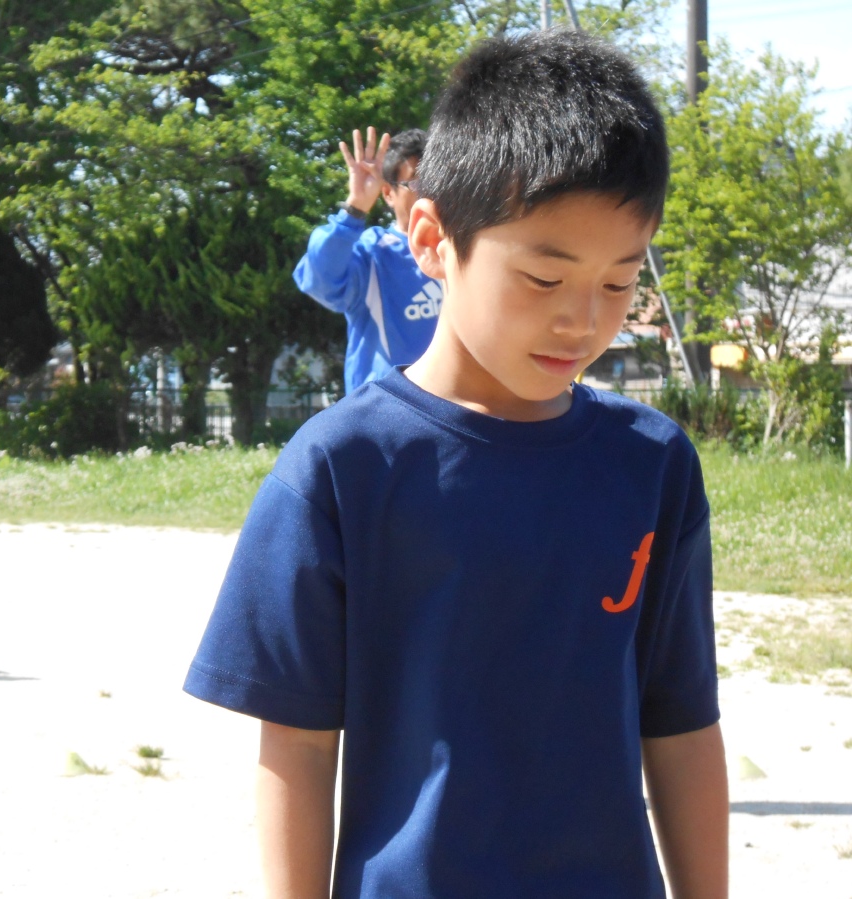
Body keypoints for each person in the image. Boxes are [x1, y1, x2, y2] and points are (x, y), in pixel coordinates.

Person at [185, 29, 727, 899]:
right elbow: (297, 745)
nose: (584, 321)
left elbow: (683, 723)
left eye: (619, 282)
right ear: (432, 238)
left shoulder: (652, 465)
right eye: (544, 279)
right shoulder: (340, 469)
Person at [294, 126, 442, 393]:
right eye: (415, 182)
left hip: (457, 408)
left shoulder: (463, 249)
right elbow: (321, 281)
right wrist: (355, 209)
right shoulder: (373, 253)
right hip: (386, 409)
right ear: (388, 193)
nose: (428, 192)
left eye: (436, 180)